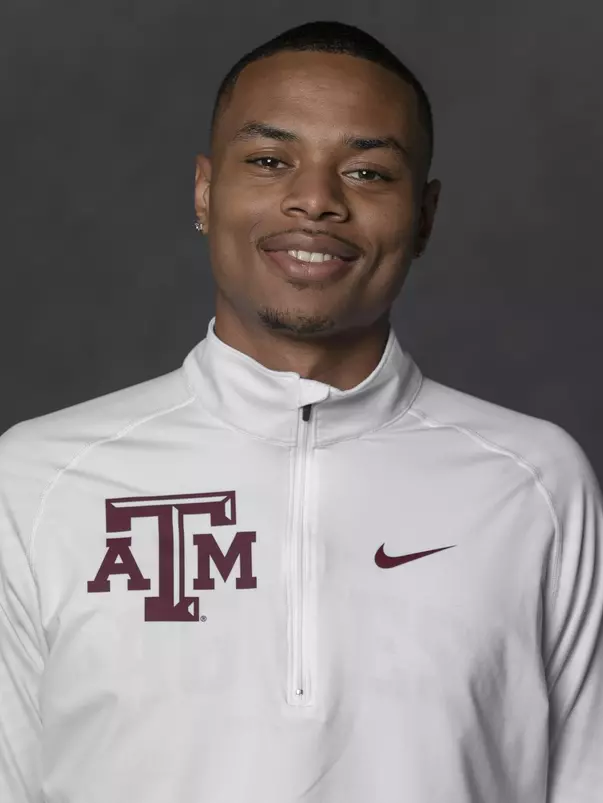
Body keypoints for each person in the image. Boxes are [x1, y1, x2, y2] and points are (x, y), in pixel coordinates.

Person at [0, 18, 601, 803]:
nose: (315, 199)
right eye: (269, 160)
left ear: (422, 216)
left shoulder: (536, 483)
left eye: (368, 172)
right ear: (206, 192)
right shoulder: (38, 478)